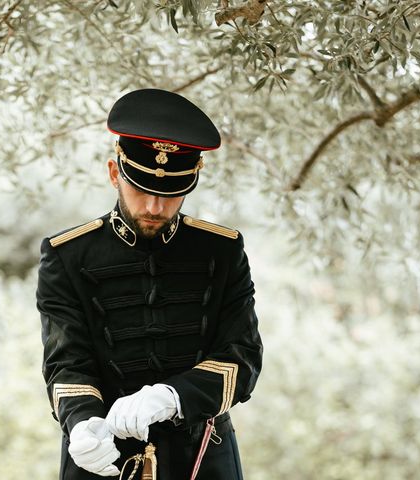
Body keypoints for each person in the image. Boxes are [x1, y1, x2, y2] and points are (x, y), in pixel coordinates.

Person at [36, 88, 263, 480]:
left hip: (203, 456)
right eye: (141, 188)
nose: (155, 207)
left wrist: (172, 397)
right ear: (114, 174)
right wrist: (82, 424)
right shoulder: (66, 256)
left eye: (170, 194)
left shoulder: (222, 251)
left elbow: (242, 357)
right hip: (102, 458)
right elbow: (67, 362)